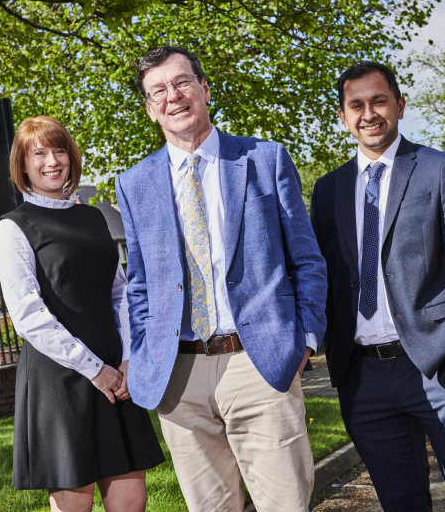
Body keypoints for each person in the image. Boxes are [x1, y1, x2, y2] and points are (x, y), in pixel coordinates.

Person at [114, 45, 327, 511]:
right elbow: (141, 284)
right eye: (158, 91)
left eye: (182, 82)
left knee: (286, 504)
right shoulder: (133, 183)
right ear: (150, 109)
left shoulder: (264, 159)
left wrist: (305, 342)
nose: (173, 96)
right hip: (180, 376)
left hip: (259, 362)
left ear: (205, 89)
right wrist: (146, 351)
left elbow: (307, 260)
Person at [310, 61, 445, 511]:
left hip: (438, 367)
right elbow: (322, 276)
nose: (369, 114)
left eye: (379, 101)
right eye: (356, 105)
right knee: (401, 504)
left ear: (399, 105)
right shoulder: (327, 190)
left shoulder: (439, 168)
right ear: (343, 116)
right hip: (362, 377)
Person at [0, 116, 164, 512]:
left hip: (116, 372)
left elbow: (120, 292)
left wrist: (127, 358)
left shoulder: (93, 217)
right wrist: (93, 369)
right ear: (23, 165)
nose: (52, 161)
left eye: (59, 151)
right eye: (39, 153)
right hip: (61, 378)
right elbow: (27, 314)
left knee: (132, 502)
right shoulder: (14, 228)